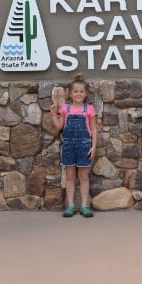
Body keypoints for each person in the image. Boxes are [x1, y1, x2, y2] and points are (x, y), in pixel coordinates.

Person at [50, 75, 98, 218]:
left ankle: (84, 206)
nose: (78, 94)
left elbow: (94, 130)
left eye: (81, 91)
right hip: (68, 146)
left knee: (83, 176)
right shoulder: (65, 108)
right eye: (75, 91)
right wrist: (53, 114)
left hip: (84, 146)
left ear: (86, 93)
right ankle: (70, 206)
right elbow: (60, 127)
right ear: (70, 94)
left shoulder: (89, 109)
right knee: (70, 177)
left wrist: (93, 147)